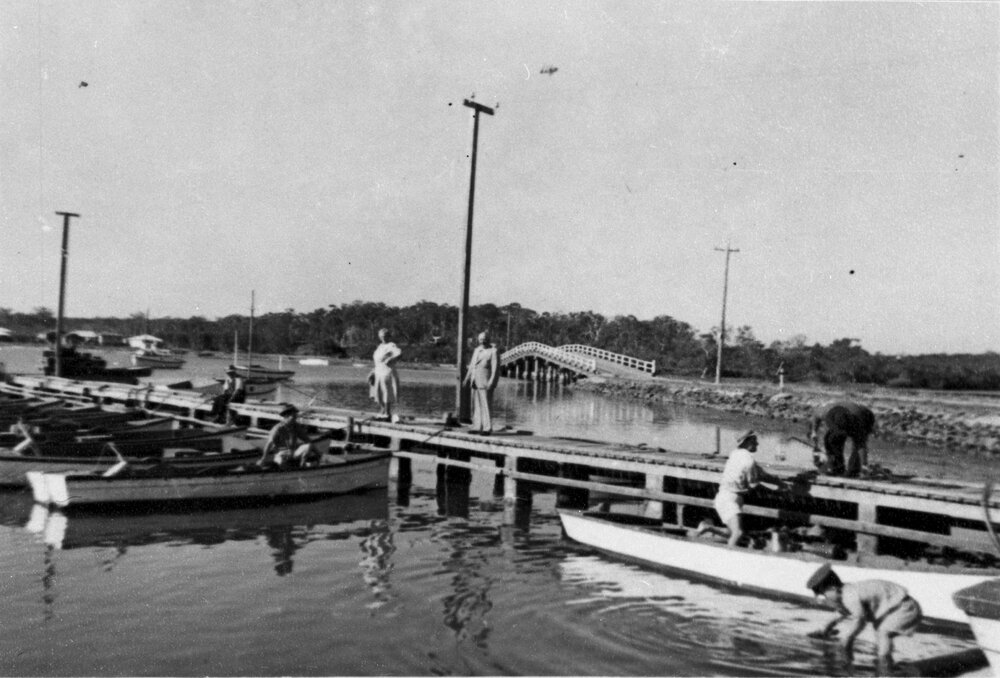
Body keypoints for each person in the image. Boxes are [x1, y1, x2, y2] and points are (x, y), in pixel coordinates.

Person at [806, 563, 922, 676]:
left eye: (824, 594)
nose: (825, 598)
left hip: (903, 607)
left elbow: (860, 620)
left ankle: (885, 668)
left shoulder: (850, 596)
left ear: (833, 588)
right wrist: (826, 629)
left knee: (883, 633)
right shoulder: (846, 592)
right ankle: (889, 666)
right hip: (895, 607)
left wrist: (848, 638)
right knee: (882, 635)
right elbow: (840, 613)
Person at [696, 430, 786, 546]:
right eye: (754, 441)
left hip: (725, 497)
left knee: (731, 533)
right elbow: (754, 485)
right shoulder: (749, 461)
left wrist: (779, 482)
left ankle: (708, 528)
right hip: (730, 499)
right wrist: (776, 491)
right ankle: (728, 556)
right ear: (747, 442)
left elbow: (762, 474)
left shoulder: (736, 453)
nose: (757, 444)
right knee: (738, 533)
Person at [809, 401, 876, 478]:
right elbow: (815, 416)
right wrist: (814, 432)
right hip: (843, 416)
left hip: (865, 417)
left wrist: (864, 465)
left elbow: (861, 445)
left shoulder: (858, 422)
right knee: (830, 439)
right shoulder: (824, 412)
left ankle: (854, 471)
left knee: (857, 443)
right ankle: (837, 468)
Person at [463, 331, 500, 435]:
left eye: (484, 338)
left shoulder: (493, 351)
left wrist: (492, 381)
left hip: (485, 382)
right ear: (478, 340)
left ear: (488, 339)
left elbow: (495, 369)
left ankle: (487, 428)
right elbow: (472, 365)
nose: (482, 341)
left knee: (486, 405)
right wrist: (467, 378)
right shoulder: (477, 350)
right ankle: (477, 426)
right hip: (475, 381)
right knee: (476, 405)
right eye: (480, 339)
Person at [371, 328, 402, 422]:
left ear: (388, 336)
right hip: (378, 371)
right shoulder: (380, 346)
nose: (383, 338)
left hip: (387, 372)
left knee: (386, 392)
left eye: (385, 336)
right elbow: (377, 361)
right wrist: (372, 372)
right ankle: (383, 411)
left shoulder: (391, 345)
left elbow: (399, 353)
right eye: (381, 336)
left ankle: (387, 414)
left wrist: (391, 359)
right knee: (378, 393)